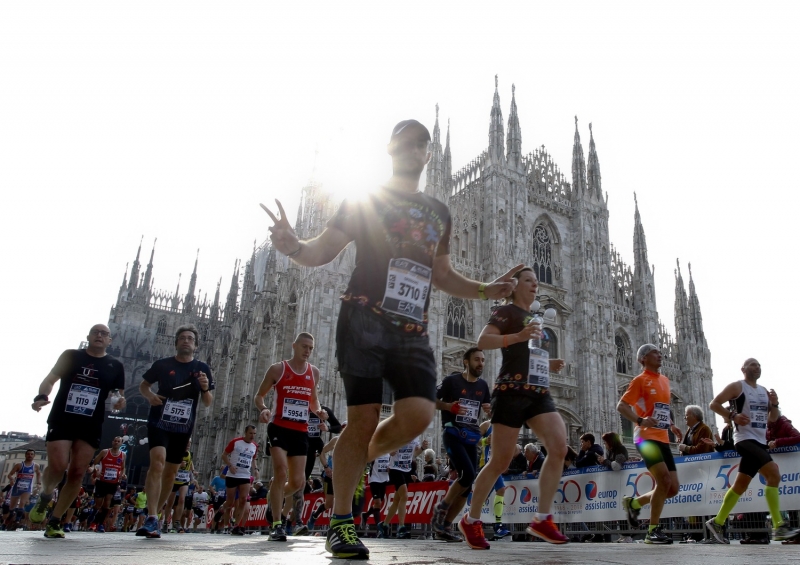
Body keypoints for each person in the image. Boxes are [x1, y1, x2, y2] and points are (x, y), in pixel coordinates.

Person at [261, 118, 517, 560]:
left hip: (411, 329)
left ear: (428, 154)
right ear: (390, 148)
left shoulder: (439, 211)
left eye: (423, 143)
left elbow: (442, 275)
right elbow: (322, 251)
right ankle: (341, 520)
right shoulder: (363, 201)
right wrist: (292, 247)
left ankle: (346, 454)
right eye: (407, 141)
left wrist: (485, 290)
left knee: (417, 415)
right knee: (363, 417)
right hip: (362, 317)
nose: (415, 149)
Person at [458, 266, 568, 549]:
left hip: (538, 392)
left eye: (536, 281)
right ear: (516, 285)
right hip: (510, 391)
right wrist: (517, 337)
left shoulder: (534, 317)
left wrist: (548, 364)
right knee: (500, 462)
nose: (535, 285)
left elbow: (529, 354)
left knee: (559, 447)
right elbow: (483, 341)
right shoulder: (505, 312)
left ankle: (543, 517)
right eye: (529, 280)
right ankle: (471, 520)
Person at [29, 324, 126, 539]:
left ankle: (55, 521)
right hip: (62, 418)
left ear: (110, 340)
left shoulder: (115, 365)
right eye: (95, 332)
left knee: (77, 472)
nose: (99, 336)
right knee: (58, 465)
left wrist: (119, 402)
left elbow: (117, 395)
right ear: (89, 337)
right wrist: (41, 396)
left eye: (104, 334)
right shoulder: (71, 356)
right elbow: (50, 380)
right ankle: (46, 495)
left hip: (90, 424)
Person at [704, 358, 800, 543]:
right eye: (753, 364)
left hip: (760, 441)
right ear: (743, 369)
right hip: (745, 440)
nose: (757, 367)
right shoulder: (737, 387)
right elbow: (713, 404)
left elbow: (772, 418)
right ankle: (779, 525)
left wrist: (774, 404)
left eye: (759, 365)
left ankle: (717, 521)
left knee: (740, 486)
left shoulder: (764, 391)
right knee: (773, 474)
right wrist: (732, 416)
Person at [136, 324, 214, 538]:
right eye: (182, 338)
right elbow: (144, 385)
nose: (186, 341)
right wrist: (149, 396)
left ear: (196, 345)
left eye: (190, 338)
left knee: (170, 472)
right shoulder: (162, 364)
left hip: (183, 425)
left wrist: (205, 388)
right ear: (177, 342)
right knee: (158, 462)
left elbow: (208, 402)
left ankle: (155, 515)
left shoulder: (202, 369)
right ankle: (152, 516)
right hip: (159, 421)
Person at [254, 331, 325, 542]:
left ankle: (273, 497)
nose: (307, 351)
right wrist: (264, 409)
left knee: (297, 483)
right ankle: (277, 524)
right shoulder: (278, 369)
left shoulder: (314, 373)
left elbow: (313, 400)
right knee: (281, 472)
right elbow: (259, 395)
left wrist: (319, 411)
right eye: (304, 346)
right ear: (294, 346)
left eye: (310, 348)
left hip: (301, 432)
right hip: (279, 428)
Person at [617, 344, 683, 544]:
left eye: (660, 352)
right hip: (644, 437)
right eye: (655, 352)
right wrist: (639, 420)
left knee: (672, 489)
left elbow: (659, 410)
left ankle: (634, 503)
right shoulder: (640, 380)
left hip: (662, 437)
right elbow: (622, 406)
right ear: (643, 358)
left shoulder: (664, 380)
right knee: (663, 480)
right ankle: (653, 531)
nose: (660, 354)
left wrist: (671, 425)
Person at [430, 347, 490, 542]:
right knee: (468, 474)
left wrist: (490, 410)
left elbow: (487, 408)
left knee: (467, 484)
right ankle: (442, 508)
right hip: (452, 432)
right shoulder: (451, 381)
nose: (480, 363)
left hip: (471, 437)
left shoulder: (483, 386)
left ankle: (445, 526)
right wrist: (448, 406)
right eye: (476, 359)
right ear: (466, 361)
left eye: (482, 360)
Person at [378, 437, 422, 539]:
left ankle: (384, 525)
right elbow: (388, 450)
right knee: (405, 496)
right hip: (395, 469)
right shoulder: (399, 433)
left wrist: (423, 448)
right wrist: (391, 451)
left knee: (397, 500)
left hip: (407, 470)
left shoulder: (416, 436)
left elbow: (415, 453)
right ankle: (401, 527)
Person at [221, 425, 259, 536]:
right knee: (230, 502)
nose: (252, 436)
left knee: (243, 499)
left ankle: (237, 526)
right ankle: (222, 512)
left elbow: (253, 459)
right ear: (245, 433)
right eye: (250, 433)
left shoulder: (254, 446)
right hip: (232, 475)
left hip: (245, 476)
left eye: (254, 434)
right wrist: (230, 466)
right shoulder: (235, 442)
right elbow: (224, 455)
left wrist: (255, 469)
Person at [89, 436, 126, 532]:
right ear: (112, 442)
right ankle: (94, 521)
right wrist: (96, 471)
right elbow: (94, 463)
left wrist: (123, 474)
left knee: (107, 504)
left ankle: (100, 524)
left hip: (113, 482)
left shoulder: (123, 455)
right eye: (115, 441)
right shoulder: (104, 452)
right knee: (98, 504)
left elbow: (122, 467)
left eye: (118, 441)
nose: (116, 443)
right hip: (101, 481)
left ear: (121, 443)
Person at [6, 449, 41, 526]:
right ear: (25, 455)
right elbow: (9, 475)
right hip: (17, 487)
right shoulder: (19, 465)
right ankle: (10, 517)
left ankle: (17, 520)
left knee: (22, 503)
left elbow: (38, 473)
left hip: (27, 488)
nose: (30, 455)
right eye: (28, 454)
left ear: (34, 456)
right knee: (12, 506)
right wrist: (11, 479)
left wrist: (38, 483)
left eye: (32, 454)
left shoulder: (36, 466)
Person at [363, 453, 390, 536]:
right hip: (374, 479)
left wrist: (390, 468)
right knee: (377, 503)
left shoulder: (389, 453)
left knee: (378, 504)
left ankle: (365, 515)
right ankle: (379, 528)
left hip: (384, 479)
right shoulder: (376, 450)